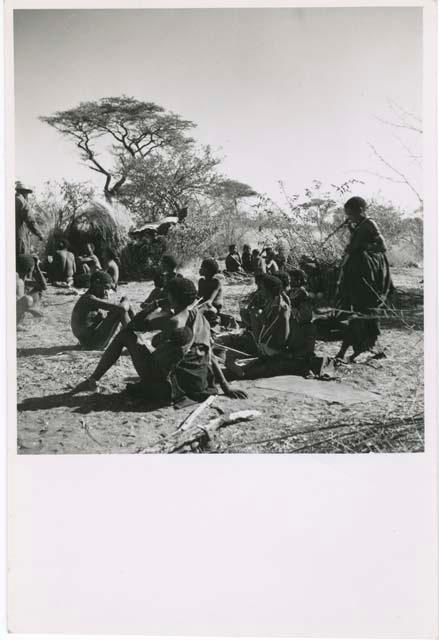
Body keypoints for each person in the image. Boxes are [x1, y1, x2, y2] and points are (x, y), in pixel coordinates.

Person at [70, 277, 246, 404]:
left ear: (173, 298)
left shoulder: (171, 320)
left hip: (170, 387)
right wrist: (225, 386)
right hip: (197, 382)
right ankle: (93, 380)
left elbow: (132, 327)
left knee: (125, 336)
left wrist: (154, 306)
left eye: (168, 294)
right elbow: (210, 354)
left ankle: (93, 379)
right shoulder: (201, 318)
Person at [334, 196, 393, 361]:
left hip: (368, 274)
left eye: (350, 213)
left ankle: (352, 349)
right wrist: (352, 232)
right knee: (357, 311)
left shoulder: (370, 223)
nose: (348, 217)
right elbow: (358, 240)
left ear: (360, 210)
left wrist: (363, 247)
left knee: (363, 311)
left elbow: (382, 247)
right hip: (357, 272)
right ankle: (355, 348)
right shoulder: (359, 225)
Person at [216, 274, 290, 370]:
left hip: (271, 348)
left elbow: (276, 331)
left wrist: (255, 317)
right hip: (265, 343)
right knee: (225, 350)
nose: (260, 291)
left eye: (262, 288)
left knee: (228, 355)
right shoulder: (272, 302)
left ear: (269, 290)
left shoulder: (280, 307)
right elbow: (266, 323)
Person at [71, 270, 134, 350]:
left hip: (89, 341)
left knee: (121, 308)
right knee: (121, 310)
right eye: (106, 288)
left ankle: (138, 334)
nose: (106, 293)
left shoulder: (88, 298)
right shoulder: (89, 299)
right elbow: (121, 309)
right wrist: (126, 301)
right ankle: (136, 340)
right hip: (92, 344)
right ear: (96, 283)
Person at [16, 254, 47, 325]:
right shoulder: (18, 282)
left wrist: (36, 265)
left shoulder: (23, 280)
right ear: (30, 269)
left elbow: (43, 286)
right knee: (28, 299)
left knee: (38, 290)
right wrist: (31, 310)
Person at [15, 182, 43, 257]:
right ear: (25, 193)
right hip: (19, 242)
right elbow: (31, 221)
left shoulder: (10, 200)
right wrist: (40, 234)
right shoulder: (22, 202)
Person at [197, 258, 224, 326]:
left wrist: (198, 309)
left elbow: (210, 301)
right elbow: (199, 297)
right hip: (204, 305)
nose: (200, 269)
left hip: (213, 307)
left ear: (208, 270)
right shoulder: (201, 281)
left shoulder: (216, 282)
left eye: (202, 267)